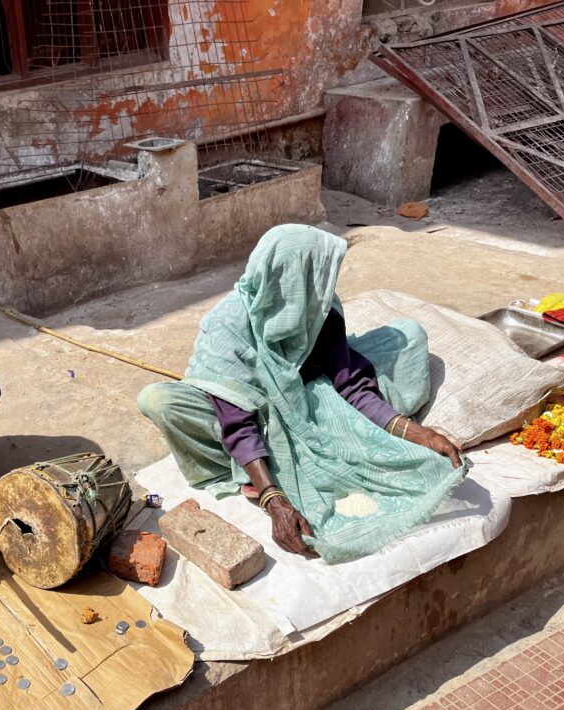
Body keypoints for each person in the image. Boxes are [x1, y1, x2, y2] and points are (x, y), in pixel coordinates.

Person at [138, 224, 465, 564]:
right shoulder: (226, 325)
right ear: (292, 279)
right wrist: (273, 498)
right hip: (250, 411)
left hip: (310, 392)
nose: (325, 284)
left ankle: (297, 439)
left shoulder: (318, 308)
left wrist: (416, 433)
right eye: (316, 274)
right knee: (158, 400)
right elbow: (236, 422)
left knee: (408, 335)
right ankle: (249, 469)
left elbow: (349, 382)